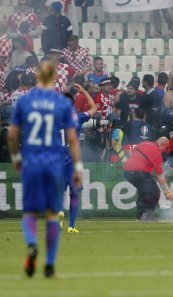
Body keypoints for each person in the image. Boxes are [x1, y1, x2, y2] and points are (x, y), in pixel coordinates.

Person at [7, 61, 83, 278]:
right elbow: (73, 140)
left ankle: (31, 244)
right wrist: (78, 167)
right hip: (55, 162)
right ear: (55, 77)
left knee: (30, 212)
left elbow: (12, 135)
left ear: (38, 76)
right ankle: (49, 264)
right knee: (51, 214)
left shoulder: (25, 101)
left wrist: (15, 158)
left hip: (31, 160)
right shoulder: (62, 103)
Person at [58, 83, 97, 233]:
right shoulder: (77, 117)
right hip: (73, 162)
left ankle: (59, 212)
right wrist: (85, 92)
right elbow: (94, 109)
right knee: (74, 195)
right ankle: (71, 226)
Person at [122, 137, 173, 221]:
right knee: (154, 192)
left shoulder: (144, 143)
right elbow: (160, 176)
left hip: (127, 172)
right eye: (166, 148)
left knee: (144, 191)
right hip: (139, 172)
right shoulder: (157, 153)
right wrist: (167, 192)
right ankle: (146, 215)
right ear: (161, 144)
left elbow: (131, 153)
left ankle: (141, 215)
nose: (165, 151)